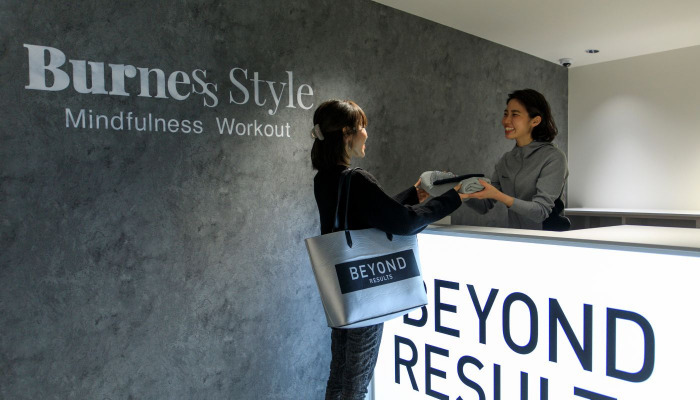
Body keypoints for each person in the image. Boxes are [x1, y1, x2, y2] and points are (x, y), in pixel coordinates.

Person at [310, 99, 468, 400]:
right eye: (363, 127)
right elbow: (404, 223)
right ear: (346, 133)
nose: (367, 134)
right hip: (366, 289)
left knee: (340, 374)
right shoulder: (356, 179)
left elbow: (369, 213)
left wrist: (414, 193)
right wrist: (454, 197)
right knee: (357, 383)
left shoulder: (325, 179)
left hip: (343, 289)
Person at [464, 89, 569, 230]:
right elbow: (484, 205)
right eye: (506, 114)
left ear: (535, 121)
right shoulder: (506, 160)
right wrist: (459, 190)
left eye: (515, 114)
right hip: (518, 238)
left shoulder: (554, 158)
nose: (506, 121)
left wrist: (500, 196)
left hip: (548, 238)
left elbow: (540, 212)